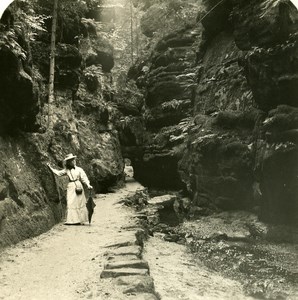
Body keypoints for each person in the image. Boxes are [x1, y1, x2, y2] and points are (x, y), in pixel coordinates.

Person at [47, 153, 93, 225]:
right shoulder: (67, 170)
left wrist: (88, 185)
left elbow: (84, 178)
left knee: (80, 202)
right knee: (71, 201)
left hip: (78, 185)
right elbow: (58, 173)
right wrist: (50, 168)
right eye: (71, 161)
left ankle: (80, 219)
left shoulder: (79, 169)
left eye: (74, 160)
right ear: (68, 162)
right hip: (71, 186)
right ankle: (72, 220)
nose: (73, 162)